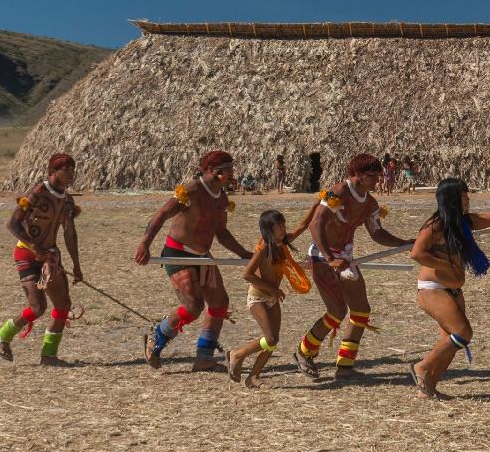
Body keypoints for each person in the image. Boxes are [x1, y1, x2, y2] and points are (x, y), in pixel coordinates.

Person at [407, 179, 490, 398]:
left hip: (453, 290)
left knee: (449, 342)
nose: (468, 199)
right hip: (433, 288)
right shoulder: (435, 225)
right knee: (463, 332)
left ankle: (428, 388)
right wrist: (445, 264)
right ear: (453, 198)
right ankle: (422, 367)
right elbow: (417, 253)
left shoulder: (465, 222)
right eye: (465, 195)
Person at [294, 153, 411, 379]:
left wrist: (404, 243)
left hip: (346, 259)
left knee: (360, 310)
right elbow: (315, 225)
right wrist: (329, 258)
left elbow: (377, 233)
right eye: (373, 176)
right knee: (337, 311)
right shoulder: (336, 193)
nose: (377, 181)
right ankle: (304, 351)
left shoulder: (370, 203)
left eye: (378, 176)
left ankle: (345, 365)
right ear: (357, 175)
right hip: (322, 257)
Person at [135, 150, 255, 372]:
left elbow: (221, 232)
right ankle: (157, 336)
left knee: (219, 303)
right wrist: (145, 244)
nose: (232, 174)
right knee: (194, 305)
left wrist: (243, 253)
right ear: (213, 171)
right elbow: (161, 215)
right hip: (177, 253)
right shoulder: (192, 190)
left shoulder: (222, 198)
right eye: (228, 169)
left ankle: (204, 357)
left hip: (202, 257)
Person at [0, 152, 84, 366]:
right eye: (66, 169)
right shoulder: (38, 193)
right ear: (54, 171)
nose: (72, 173)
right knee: (37, 307)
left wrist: (77, 265)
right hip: (26, 253)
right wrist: (35, 247)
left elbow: (69, 233)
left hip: (50, 257)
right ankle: (2, 335)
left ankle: (49, 356)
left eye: (73, 169)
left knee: (63, 305)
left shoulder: (68, 201)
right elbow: (13, 224)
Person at [227, 210, 309, 388]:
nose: (283, 228)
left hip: (272, 298)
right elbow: (247, 275)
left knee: (273, 341)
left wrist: (320, 202)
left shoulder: (283, 242)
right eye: (278, 225)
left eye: (283, 224)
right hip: (258, 297)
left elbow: (303, 226)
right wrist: (273, 288)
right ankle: (238, 354)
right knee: (270, 338)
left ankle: (253, 377)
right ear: (268, 229)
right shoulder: (264, 247)